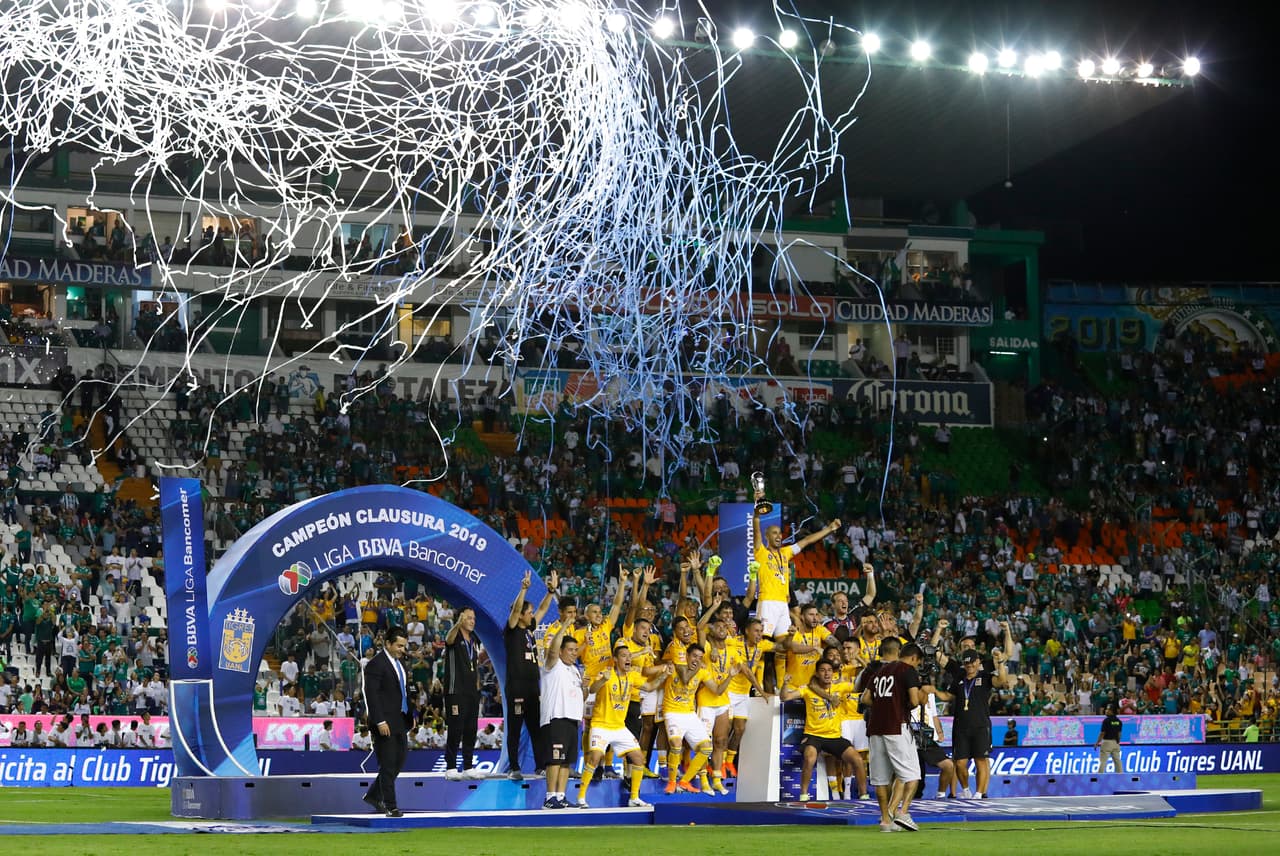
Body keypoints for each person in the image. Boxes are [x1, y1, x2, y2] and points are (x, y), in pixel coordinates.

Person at [576, 642, 671, 808]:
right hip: (601, 724)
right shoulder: (607, 673)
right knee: (595, 757)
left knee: (638, 758)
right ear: (615, 659)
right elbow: (592, 690)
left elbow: (649, 687)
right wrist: (602, 681)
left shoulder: (632, 676)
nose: (628, 659)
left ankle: (634, 797)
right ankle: (581, 797)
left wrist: (664, 675)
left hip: (619, 727)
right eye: (624, 656)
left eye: (629, 656)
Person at [932, 646, 1014, 799]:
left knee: (980, 760)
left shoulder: (985, 677)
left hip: (981, 726)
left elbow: (1001, 680)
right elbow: (947, 697)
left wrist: (1001, 662)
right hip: (961, 727)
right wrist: (933, 691)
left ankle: (979, 793)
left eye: (972, 664)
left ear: (978, 662)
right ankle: (966, 789)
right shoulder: (959, 678)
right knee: (960, 763)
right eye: (966, 664)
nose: (969, 667)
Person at [861, 637, 924, 833]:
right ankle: (902, 813)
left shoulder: (879, 672)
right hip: (897, 727)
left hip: (875, 729)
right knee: (912, 774)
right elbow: (914, 701)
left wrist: (883, 706)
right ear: (913, 658)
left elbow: (865, 698)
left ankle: (885, 821)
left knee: (880, 779)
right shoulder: (908, 671)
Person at [780, 659, 865, 801]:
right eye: (823, 670)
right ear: (817, 674)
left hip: (834, 736)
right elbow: (784, 697)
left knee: (857, 760)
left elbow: (858, 688)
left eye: (829, 670)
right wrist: (785, 683)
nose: (827, 673)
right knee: (809, 757)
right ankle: (803, 795)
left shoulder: (840, 687)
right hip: (814, 735)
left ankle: (863, 795)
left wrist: (864, 666)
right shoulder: (807, 689)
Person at [504, 569, 556, 781]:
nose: (533, 615)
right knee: (515, 727)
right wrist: (523, 590)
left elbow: (543, 608)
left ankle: (540, 766)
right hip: (516, 686)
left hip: (533, 686)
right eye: (529, 612)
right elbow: (516, 610)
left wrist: (551, 592)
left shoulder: (529, 629)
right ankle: (514, 768)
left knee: (536, 727)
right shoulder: (512, 629)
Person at [362, 626, 409, 817]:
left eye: (404, 646)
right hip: (384, 722)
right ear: (387, 643)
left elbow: (402, 692)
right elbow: (371, 694)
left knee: (399, 761)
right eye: (399, 645)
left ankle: (374, 795)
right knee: (388, 764)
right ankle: (390, 806)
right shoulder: (376, 664)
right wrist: (379, 721)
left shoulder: (400, 665)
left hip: (400, 721)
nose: (402, 650)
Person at [539, 620, 584, 809]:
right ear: (560, 651)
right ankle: (550, 798)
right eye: (571, 649)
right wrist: (564, 626)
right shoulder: (553, 664)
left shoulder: (575, 670)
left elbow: (582, 695)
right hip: (556, 717)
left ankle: (561, 795)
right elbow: (551, 650)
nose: (574, 653)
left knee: (566, 761)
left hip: (573, 719)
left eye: (576, 650)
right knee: (555, 759)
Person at [443, 607, 484, 781]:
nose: (472, 621)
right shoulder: (455, 636)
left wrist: (477, 685)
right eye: (469, 618)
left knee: (471, 728)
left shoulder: (473, 639)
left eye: (473, 618)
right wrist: (457, 624)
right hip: (455, 690)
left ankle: (468, 766)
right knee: (456, 728)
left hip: (471, 691)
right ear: (460, 619)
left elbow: (474, 663)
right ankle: (451, 766)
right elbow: (448, 639)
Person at [1095, 704, 1124, 773]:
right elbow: (1119, 734)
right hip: (1115, 743)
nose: (1106, 711)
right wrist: (1117, 742)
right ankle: (1121, 776)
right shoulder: (1119, 721)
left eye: (1108, 709)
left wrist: (1097, 743)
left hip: (1107, 742)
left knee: (1103, 761)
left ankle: (1099, 777)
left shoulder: (1106, 721)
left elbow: (1102, 733)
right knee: (1117, 761)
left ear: (1111, 711)